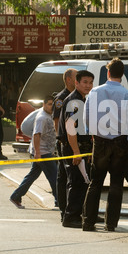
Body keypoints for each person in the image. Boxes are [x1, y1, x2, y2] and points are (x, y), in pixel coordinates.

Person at [82, 58, 128, 232]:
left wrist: (93, 136)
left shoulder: (94, 92)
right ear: (122, 75)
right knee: (116, 184)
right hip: (120, 143)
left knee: (95, 182)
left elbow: (87, 118)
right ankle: (111, 223)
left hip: (100, 141)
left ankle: (88, 222)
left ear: (107, 73)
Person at [58, 70, 94, 228]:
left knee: (82, 182)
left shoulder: (81, 99)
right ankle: (71, 217)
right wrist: (76, 152)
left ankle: (80, 214)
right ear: (76, 83)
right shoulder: (74, 101)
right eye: (85, 82)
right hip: (74, 147)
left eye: (90, 82)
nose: (88, 85)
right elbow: (70, 127)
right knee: (76, 183)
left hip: (80, 147)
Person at [10, 96, 58, 209]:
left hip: (43, 151)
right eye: (49, 104)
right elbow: (36, 135)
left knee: (32, 176)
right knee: (55, 176)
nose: (51, 106)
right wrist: (37, 153)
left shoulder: (48, 115)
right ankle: (59, 200)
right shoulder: (42, 118)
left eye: (53, 104)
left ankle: (16, 196)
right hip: (42, 152)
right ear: (44, 105)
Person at [53, 68, 77, 215]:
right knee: (63, 177)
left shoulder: (75, 96)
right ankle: (63, 208)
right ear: (68, 80)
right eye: (76, 77)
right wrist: (61, 140)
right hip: (64, 141)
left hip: (70, 140)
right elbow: (57, 122)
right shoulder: (61, 98)